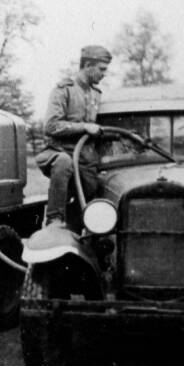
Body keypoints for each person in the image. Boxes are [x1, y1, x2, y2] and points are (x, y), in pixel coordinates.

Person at [36, 45, 112, 231]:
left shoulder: (97, 95)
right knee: (63, 162)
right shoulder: (64, 90)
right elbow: (51, 126)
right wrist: (84, 127)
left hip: (86, 160)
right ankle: (54, 221)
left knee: (90, 202)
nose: (104, 74)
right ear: (87, 65)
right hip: (59, 152)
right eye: (102, 69)